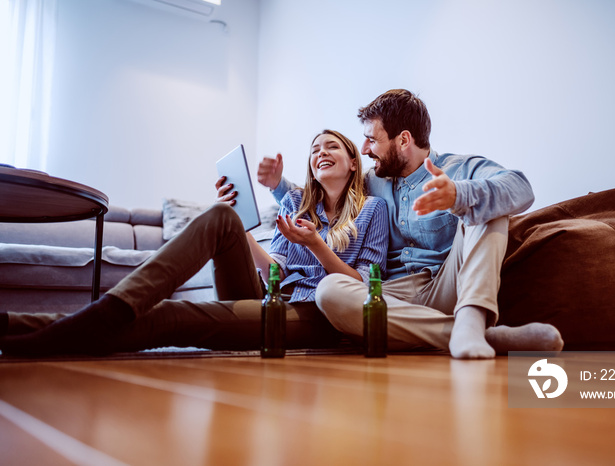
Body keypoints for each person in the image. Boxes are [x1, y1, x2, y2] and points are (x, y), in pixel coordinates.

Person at [0, 130, 388, 356]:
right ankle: (28, 323)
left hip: (314, 316)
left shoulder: (373, 210)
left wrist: (318, 245)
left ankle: (36, 333)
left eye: (332, 147)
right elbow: (275, 272)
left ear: (353, 162)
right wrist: (240, 229)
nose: (321, 152)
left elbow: (365, 287)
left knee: (170, 316)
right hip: (272, 295)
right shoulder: (297, 206)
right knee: (221, 216)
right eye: (315, 149)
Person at [258, 89, 564, 359]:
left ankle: (471, 318)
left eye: (372, 139)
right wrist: (277, 186)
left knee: (487, 207)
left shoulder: (459, 168)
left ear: (403, 139)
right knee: (329, 291)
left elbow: (521, 189)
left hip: (449, 284)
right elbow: (327, 195)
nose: (364, 149)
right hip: (392, 296)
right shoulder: (372, 181)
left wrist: (460, 194)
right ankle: (471, 334)